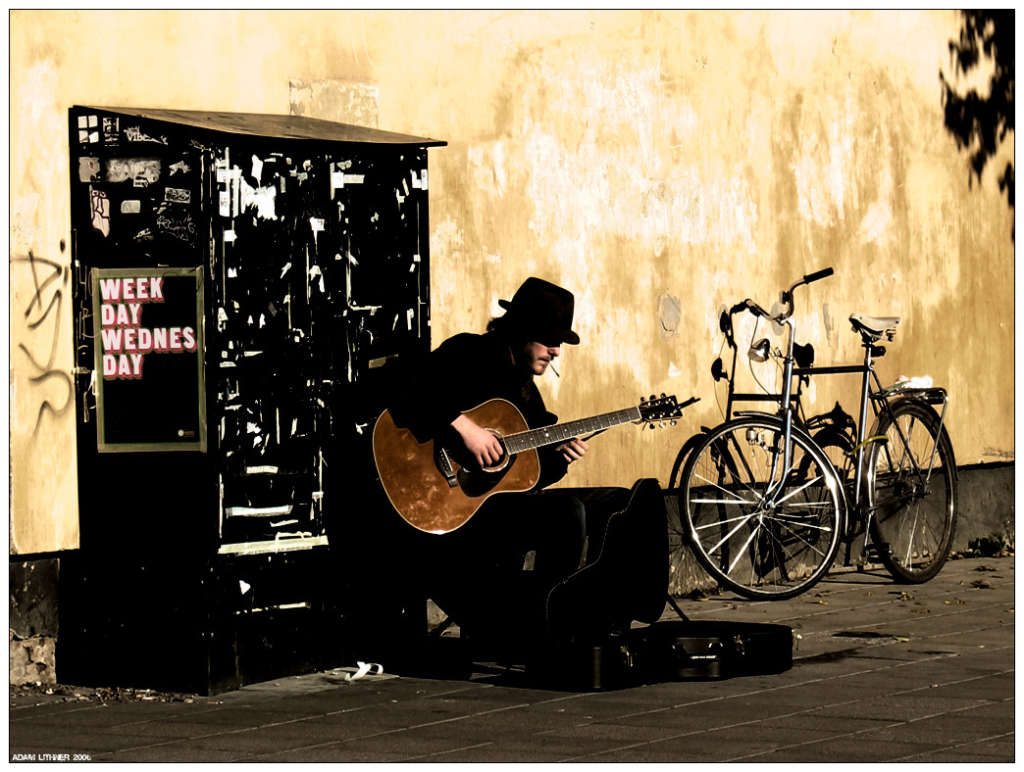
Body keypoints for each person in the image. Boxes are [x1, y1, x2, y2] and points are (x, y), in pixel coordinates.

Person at [386, 277, 596, 640]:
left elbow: (527, 476)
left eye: (559, 342)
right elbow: (403, 383)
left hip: (491, 509)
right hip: (440, 506)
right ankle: (538, 629)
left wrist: (560, 458)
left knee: (584, 511)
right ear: (521, 330)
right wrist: (463, 427)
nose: (557, 351)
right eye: (549, 339)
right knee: (568, 514)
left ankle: (551, 623)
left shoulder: (525, 391)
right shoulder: (470, 353)